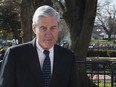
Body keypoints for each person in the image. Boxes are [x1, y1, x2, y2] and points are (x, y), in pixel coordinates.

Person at [0, 5, 77, 87]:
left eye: (53, 28)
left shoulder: (68, 57)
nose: (48, 33)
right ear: (34, 28)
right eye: (43, 28)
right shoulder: (15, 55)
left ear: (58, 28)